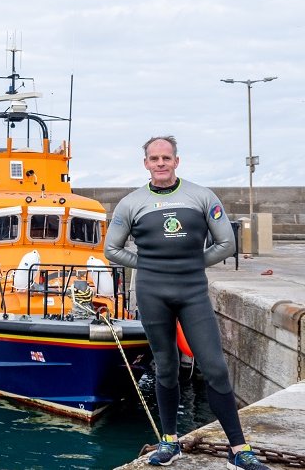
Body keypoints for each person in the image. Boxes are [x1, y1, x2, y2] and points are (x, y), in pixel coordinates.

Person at [104, 135, 269, 470]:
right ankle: (170, 442)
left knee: (215, 368)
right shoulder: (130, 203)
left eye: (167, 158)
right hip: (152, 292)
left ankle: (238, 450)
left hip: (193, 291)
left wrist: (195, 263)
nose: (161, 163)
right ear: (146, 164)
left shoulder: (201, 196)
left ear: (177, 161)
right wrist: (148, 265)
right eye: (155, 158)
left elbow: (226, 243)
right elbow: (112, 249)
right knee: (165, 367)